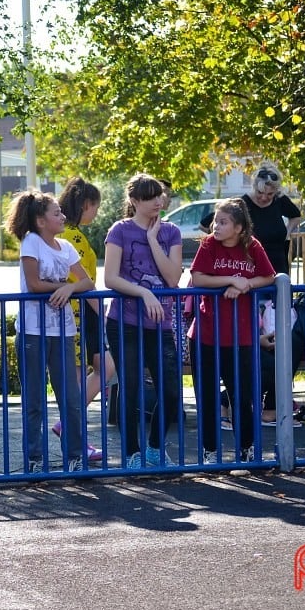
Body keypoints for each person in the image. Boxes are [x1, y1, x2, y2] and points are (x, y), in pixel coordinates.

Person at [5, 189, 93, 473]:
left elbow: (87, 282)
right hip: (33, 330)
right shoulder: (31, 242)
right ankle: (34, 458)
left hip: (63, 331)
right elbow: (34, 285)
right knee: (34, 399)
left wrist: (69, 286)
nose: (63, 216)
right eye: (57, 213)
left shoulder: (65, 247)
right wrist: (65, 287)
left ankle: (76, 455)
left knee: (70, 397)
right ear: (41, 221)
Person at [104, 174, 184, 468]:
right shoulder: (120, 230)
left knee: (171, 389)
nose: (158, 202)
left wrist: (152, 240)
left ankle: (154, 446)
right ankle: (131, 452)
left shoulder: (170, 232)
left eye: (160, 195)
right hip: (124, 322)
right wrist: (144, 293)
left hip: (158, 325)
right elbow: (110, 277)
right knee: (131, 387)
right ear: (134, 201)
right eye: (150, 197)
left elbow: (173, 278)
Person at [189, 199, 276, 464]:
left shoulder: (253, 246)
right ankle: (210, 450)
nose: (216, 226)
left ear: (239, 227)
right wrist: (230, 279)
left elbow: (269, 276)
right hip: (206, 335)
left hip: (241, 336)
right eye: (216, 220)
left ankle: (247, 448)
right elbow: (198, 277)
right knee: (206, 396)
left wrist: (245, 285)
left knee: (242, 396)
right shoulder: (208, 246)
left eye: (223, 222)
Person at [52, 177, 112, 461]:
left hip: (79, 312)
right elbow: (84, 281)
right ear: (85, 204)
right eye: (95, 208)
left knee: (104, 368)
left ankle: (70, 428)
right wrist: (105, 312)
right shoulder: (72, 236)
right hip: (78, 313)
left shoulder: (69, 234)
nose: (96, 213)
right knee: (83, 377)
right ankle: (75, 436)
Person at [200, 161, 301, 275]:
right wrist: (229, 240)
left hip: (279, 267)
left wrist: (287, 233)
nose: (264, 198)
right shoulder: (241, 204)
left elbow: (296, 216)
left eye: (270, 194)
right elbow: (204, 225)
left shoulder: (280, 200)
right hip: (251, 270)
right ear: (254, 187)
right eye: (260, 192)